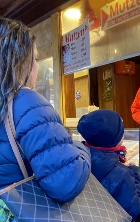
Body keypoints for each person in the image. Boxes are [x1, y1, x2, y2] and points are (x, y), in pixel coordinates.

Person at [0, 17, 91, 220]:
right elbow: (65, 182)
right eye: (36, 59)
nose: (37, 67)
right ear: (22, 61)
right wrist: (82, 149)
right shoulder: (26, 102)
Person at [77, 109, 140, 220]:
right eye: (121, 131)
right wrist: (134, 174)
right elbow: (132, 210)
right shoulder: (123, 174)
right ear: (113, 137)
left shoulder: (77, 157)